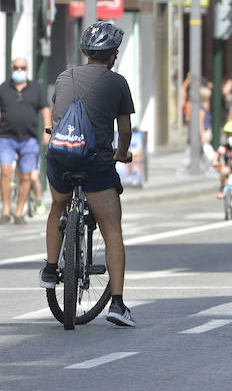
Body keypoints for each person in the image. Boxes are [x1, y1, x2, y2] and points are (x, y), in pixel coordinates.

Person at [41, 21, 136, 327]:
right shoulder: (117, 83)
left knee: (57, 205)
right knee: (112, 230)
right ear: (113, 55)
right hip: (96, 162)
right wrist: (121, 154)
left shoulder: (64, 76)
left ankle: (51, 269)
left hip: (61, 158)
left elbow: (56, 117)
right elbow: (125, 130)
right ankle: (117, 304)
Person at [1, 57, 48, 225]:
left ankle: (19, 212)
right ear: (11, 69)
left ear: (27, 69)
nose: (19, 70)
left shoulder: (36, 88)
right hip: (6, 138)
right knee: (5, 171)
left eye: (22, 67)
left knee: (27, 176)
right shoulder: (4, 88)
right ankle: (6, 209)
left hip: (29, 139)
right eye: (16, 67)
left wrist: (47, 131)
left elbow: (45, 110)